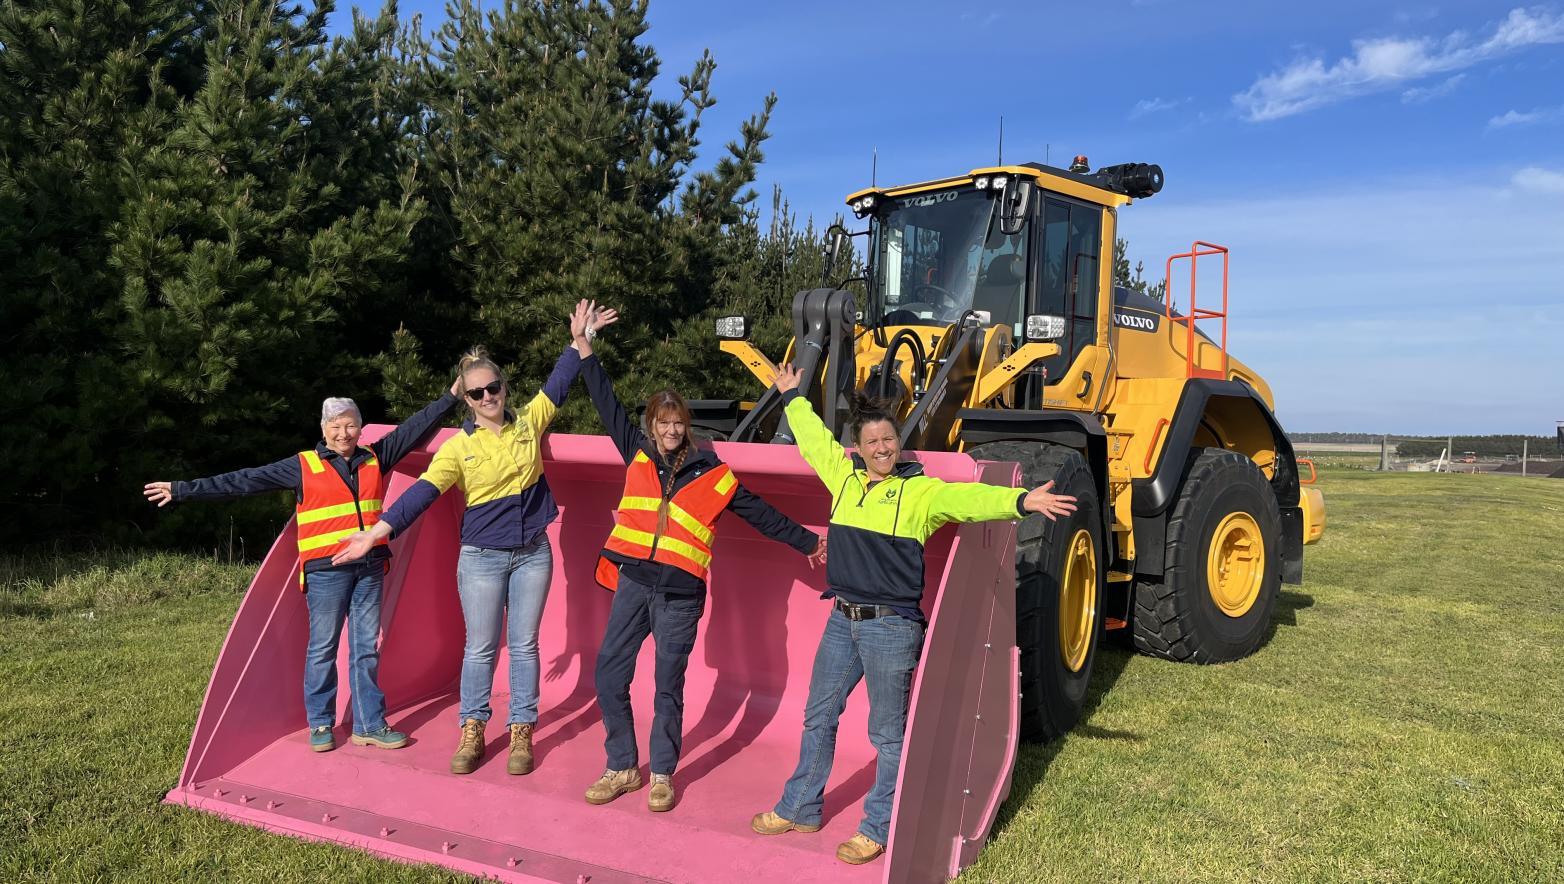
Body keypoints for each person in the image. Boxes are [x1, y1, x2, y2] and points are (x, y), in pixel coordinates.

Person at [750, 363, 1077, 865]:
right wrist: (792, 395)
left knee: (886, 733)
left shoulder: (921, 492)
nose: (882, 447)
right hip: (841, 620)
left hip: (890, 628)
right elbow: (814, 439)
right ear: (857, 448)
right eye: (872, 441)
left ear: (897, 443)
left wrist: (1023, 500)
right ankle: (801, 806)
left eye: (889, 439)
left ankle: (879, 826)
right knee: (818, 715)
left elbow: (970, 499)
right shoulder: (842, 477)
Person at [575, 304, 826, 813]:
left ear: (686, 427)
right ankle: (622, 765)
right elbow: (607, 404)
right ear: (651, 425)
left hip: (679, 598)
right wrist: (584, 347)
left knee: (667, 685)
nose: (669, 432)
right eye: (661, 423)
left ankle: (662, 773)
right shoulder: (637, 452)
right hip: (634, 586)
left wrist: (807, 541)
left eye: (676, 424)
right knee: (609, 674)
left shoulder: (714, 473)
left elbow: (761, 514)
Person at [335, 302, 597, 777]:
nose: (487, 397)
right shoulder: (458, 446)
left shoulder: (530, 421)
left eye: (493, 388)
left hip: (533, 553)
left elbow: (561, 378)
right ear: (468, 400)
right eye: (476, 393)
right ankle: (473, 729)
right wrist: (376, 532)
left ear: (504, 387)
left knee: (524, 645)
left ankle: (522, 730)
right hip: (481, 559)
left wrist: (581, 339)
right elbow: (422, 492)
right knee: (479, 647)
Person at [143, 381, 462, 753]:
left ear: (360, 429)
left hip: (370, 567)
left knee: (366, 649)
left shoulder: (376, 457)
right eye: (336, 426)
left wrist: (451, 397)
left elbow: (413, 427)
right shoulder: (301, 466)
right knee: (323, 649)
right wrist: (182, 490)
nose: (344, 434)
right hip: (326, 572)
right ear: (323, 429)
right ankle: (321, 724)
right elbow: (243, 481)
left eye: (350, 426)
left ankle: (370, 724)